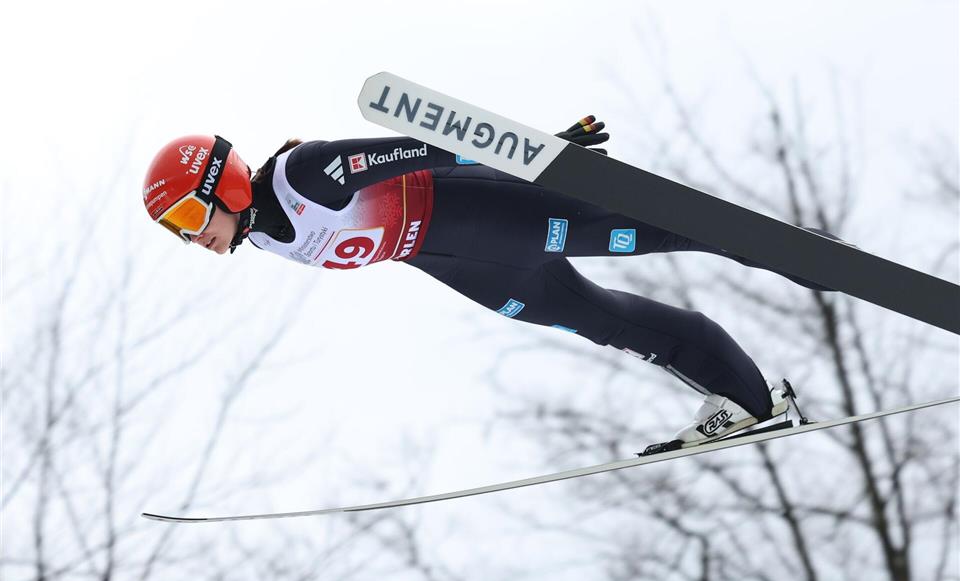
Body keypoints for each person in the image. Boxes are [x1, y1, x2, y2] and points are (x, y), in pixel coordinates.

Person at [142, 118, 839, 447]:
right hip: (466, 268)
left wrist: (538, 153)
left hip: (497, 215)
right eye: (175, 229)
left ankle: (817, 259)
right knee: (615, 325)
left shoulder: (307, 176)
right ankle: (753, 401)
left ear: (220, 183)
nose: (191, 236)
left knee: (667, 230)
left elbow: (424, 148)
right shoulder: (261, 236)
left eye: (186, 213)